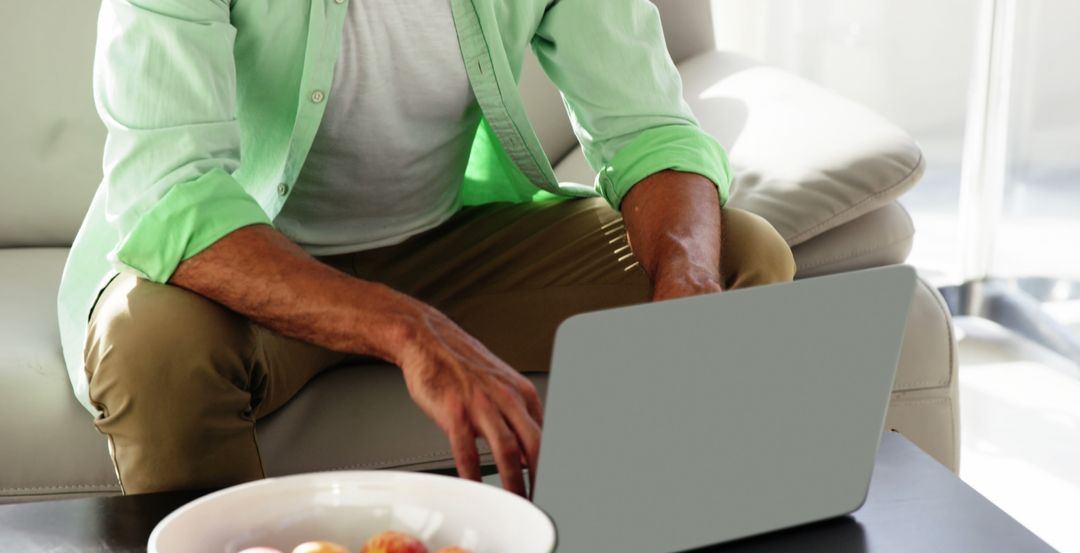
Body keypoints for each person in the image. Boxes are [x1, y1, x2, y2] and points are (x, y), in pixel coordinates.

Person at [59, 0, 796, 498]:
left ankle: (662, 534)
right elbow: (168, 191)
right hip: (243, 267)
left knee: (734, 256)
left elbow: (649, 128)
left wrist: (690, 280)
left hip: (444, 246)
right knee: (148, 347)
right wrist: (405, 330)